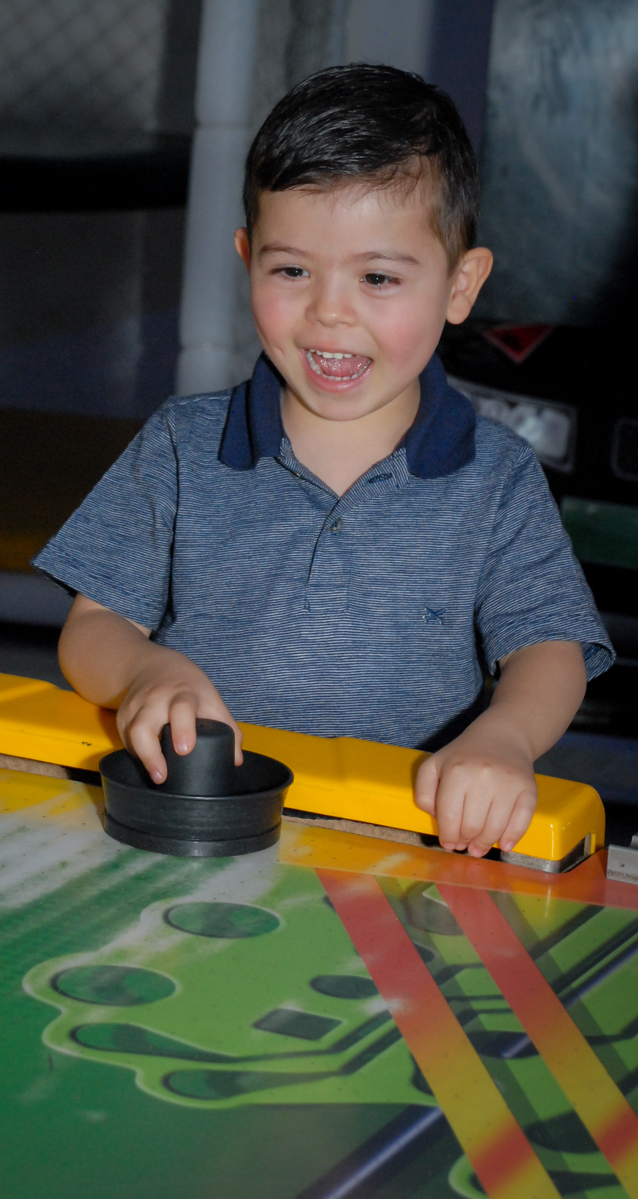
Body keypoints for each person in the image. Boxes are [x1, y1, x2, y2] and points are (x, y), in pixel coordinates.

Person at [35, 64, 612, 859]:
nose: (328, 310)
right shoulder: (179, 445)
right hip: (196, 822)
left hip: (398, 839)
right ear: (247, 260)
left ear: (459, 285)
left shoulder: (496, 476)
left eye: (377, 276)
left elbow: (548, 647)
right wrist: (144, 674)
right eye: (291, 270)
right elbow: (94, 625)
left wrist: (505, 739)